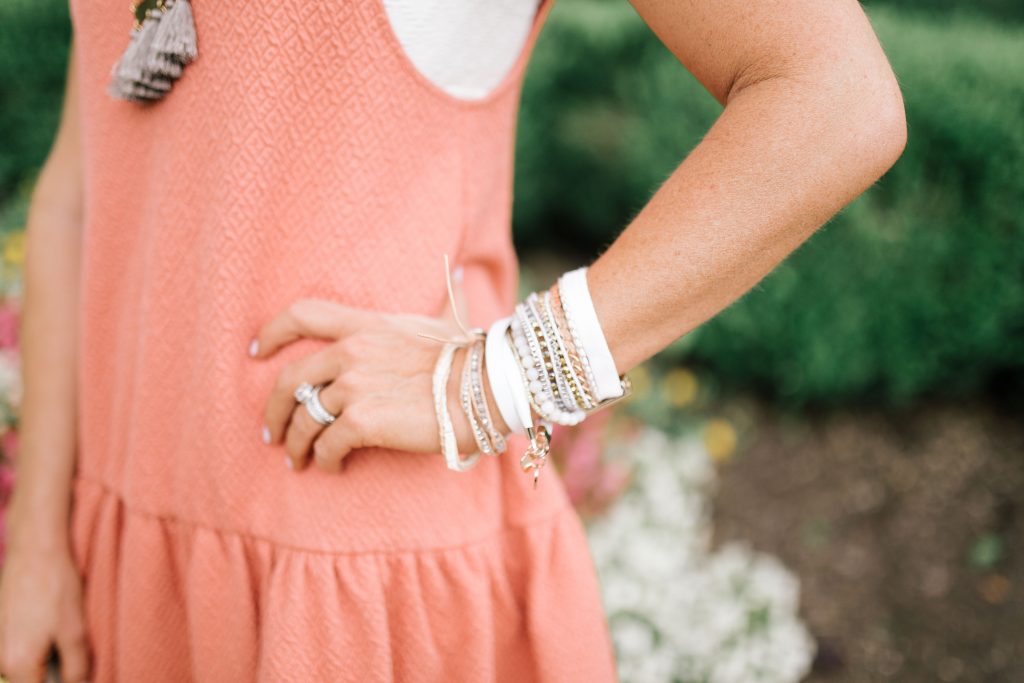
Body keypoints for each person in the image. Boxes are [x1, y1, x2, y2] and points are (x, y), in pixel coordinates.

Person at [0, 0, 906, 680]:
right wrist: (39, 536)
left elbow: (833, 98)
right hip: (131, 557)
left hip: (356, 595)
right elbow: (80, 193)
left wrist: (499, 378)